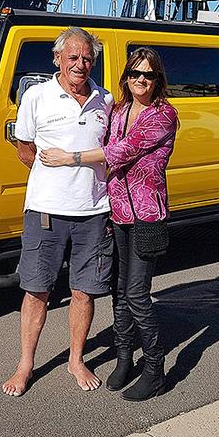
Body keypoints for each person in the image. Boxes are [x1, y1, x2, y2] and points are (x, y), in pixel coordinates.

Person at [39, 47, 177, 401]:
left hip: (147, 214)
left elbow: (121, 151)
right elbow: (98, 139)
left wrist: (67, 159)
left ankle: (155, 368)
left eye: (147, 75)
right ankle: (124, 357)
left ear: (157, 79)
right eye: (134, 74)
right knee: (119, 290)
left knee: (137, 293)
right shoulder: (119, 110)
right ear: (126, 78)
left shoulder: (163, 115)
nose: (140, 80)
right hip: (118, 213)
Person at [2, 27, 114, 397]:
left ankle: (76, 359)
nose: (81, 64)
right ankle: (25, 364)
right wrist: (53, 179)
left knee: (85, 291)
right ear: (57, 59)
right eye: (73, 57)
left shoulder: (106, 100)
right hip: (45, 211)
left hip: (94, 211)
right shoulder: (36, 97)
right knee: (37, 291)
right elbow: (24, 148)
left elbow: (111, 151)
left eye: (87, 58)